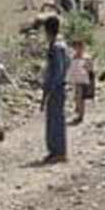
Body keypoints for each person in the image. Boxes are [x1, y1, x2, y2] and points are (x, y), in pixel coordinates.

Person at [40, 16, 69, 163]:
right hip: (56, 86)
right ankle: (54, 151)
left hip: (56, 88)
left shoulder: (56, 47)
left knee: (56, 119)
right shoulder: (61, 44)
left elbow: (58, 69)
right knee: (53, 119)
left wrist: (51, 87)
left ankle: (59, 151)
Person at [67, 38, 93, 124]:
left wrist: (87, 68)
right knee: (77, 96)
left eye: (80, 46)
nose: (78, 49)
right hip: (76, 79)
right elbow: (70, 67)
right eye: (76, 47)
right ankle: (79, 112)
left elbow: (90, 68)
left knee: (81, 97)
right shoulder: (72, 57)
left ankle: (81, 115)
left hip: (83, 79)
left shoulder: (86, 57)